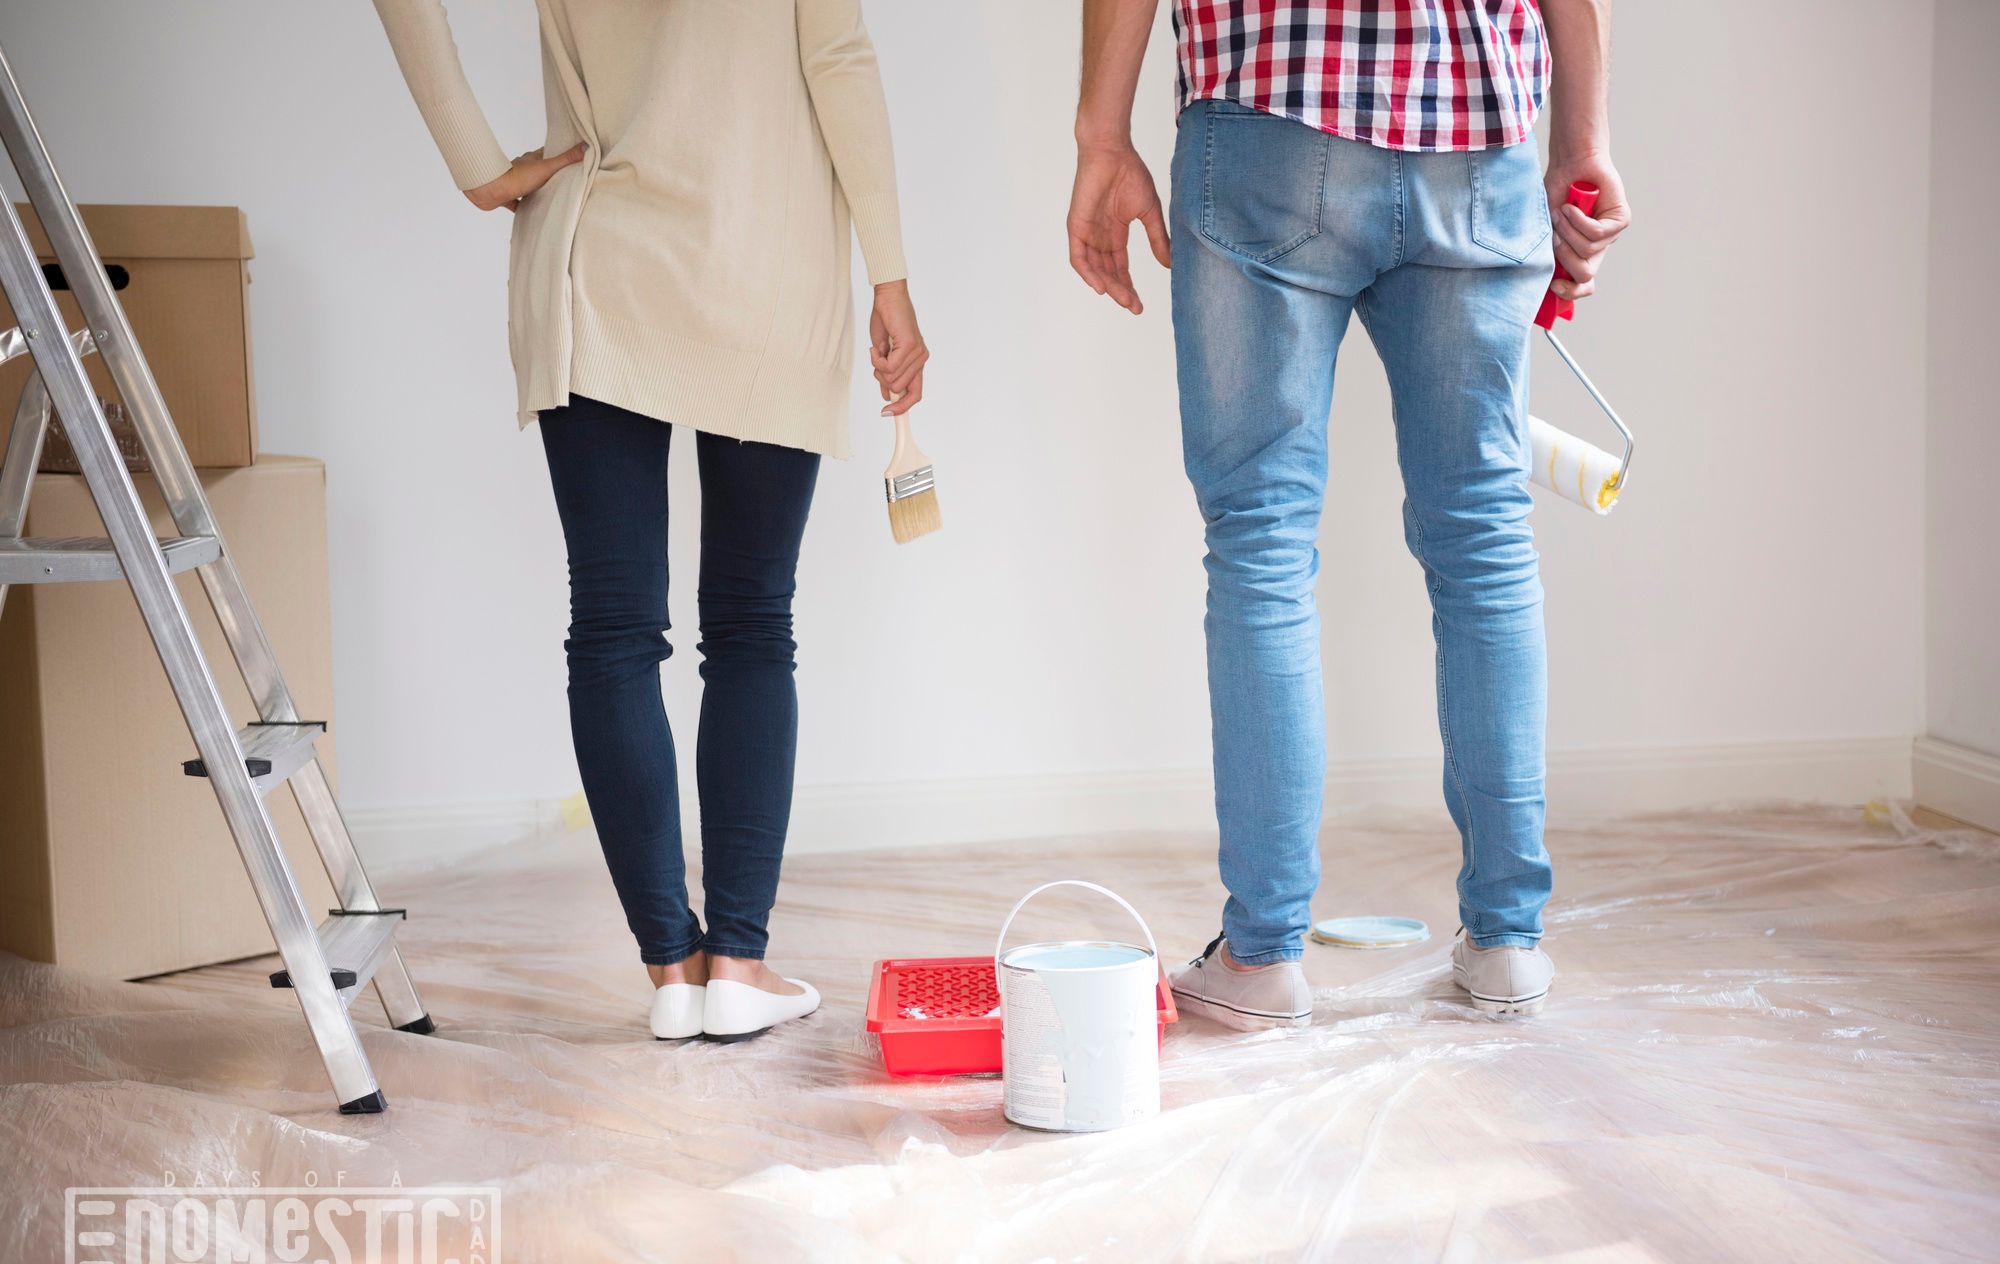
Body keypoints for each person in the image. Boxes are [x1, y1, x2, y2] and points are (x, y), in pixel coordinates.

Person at [374, 0, 928, 1041]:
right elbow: (838, 59)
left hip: (595, 259)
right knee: (752, 620)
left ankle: (672, 971)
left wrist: (476, 163)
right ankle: (739, 964)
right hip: (761, 265)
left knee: (615, 625)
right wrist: (890, 275)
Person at [1068, 0, 1629, 1025]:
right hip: (1476, 123)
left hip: (1269, 107)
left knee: (1259, 542)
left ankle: (1262, 956)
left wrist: (1102, 137)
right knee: (1482, 538)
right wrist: (1581, 143)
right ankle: (1506, 941)